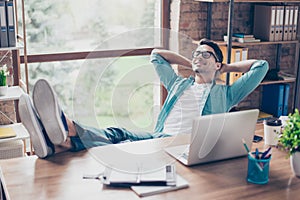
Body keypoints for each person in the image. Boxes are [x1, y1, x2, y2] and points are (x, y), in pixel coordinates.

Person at [19, 38, 269, 158]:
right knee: (117, 133)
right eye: (196, 53)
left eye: (205, 55)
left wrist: (223, 69)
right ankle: (58, 138)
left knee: (122, 147)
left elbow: (261, 66)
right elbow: (156, 55)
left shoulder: (226, 93)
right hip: (157, 136)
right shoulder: (179, 83)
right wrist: (190, 63)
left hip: (182, 147)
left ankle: (59, 131)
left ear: (217, 64)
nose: (198, 56)